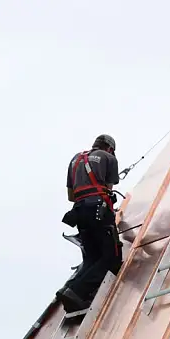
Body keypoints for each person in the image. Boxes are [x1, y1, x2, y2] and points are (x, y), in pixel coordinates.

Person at [56, 134, 123, 313]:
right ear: (110, 149)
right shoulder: (109, 158)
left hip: (79, 212)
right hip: (99, 211)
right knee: (112, 258)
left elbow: (71, 196)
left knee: (92, 256)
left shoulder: (75, 160)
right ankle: (76, 292)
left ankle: (68, 288)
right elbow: (108, 189)